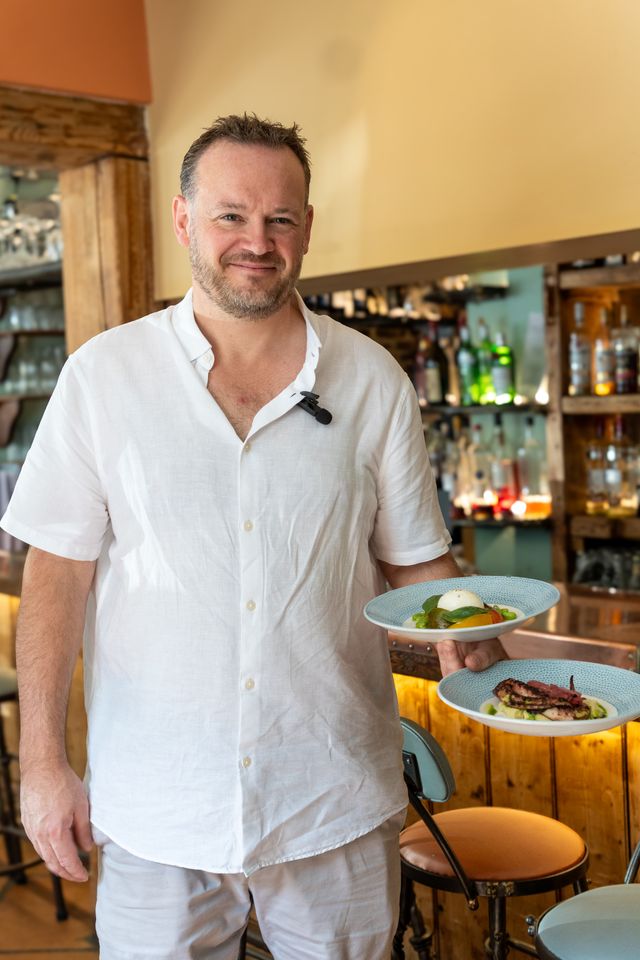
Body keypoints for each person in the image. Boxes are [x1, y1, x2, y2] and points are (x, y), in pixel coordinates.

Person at [1, 114, 505, 959]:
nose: (257, 241)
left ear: (306, 228)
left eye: (280, 218)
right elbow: (55, 578)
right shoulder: (103, 376)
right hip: (158, 803)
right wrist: (41, 764)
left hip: (332, 799)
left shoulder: (374, 379)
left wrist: (465, 636)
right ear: (184, 219)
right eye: (232, 214)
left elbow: (419, 560)